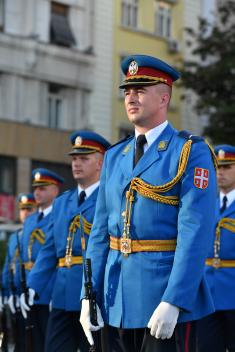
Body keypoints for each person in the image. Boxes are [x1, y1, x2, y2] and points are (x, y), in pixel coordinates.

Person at [80, 54, 218, 352]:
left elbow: (196, 233)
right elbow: (99, 234)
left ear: (164, 97)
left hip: (161, 299)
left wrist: (174, 299)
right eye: (128, 91)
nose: (131, 97)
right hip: (114, 300)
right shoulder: (116, 156)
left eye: (141, 90)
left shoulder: (189, 152)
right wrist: (87, 295)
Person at [20, 131, 110, 352]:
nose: (76, 164)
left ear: (100, 163)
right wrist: (33, 285)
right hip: (61, 296)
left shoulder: (109, 198)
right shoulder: (62, 203)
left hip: (93, 295)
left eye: (84, 158)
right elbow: (50, 249)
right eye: (74, 158)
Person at [192, 145, 235, 352]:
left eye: (227, 167)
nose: (220, 172)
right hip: (207, 294)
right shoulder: (207, 203)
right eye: (217, 167)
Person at [20, 168, 64, 352]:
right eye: (36, 188)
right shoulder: (30, 220)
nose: (37, 192)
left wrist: (55, 293)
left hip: (50, 292)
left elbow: (56, 256)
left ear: (55, 190)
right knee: (30, 343)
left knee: (50, 344)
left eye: (43, 188)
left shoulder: (59, 215)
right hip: (30, 291)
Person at [1, 193, 37, 352]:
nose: (25, 213)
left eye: (29, 209)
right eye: (22, 209)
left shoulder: (38, 232)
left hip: (31, 295)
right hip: (14, 296)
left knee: (33, 341)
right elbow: (8, 265)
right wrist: (5, 293)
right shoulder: (15, 236)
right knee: (17, 340)